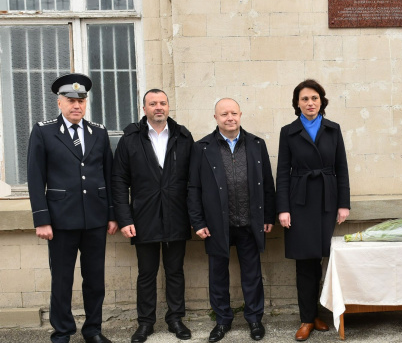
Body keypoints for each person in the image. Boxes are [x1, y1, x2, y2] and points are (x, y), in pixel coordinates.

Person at [27, 73, 118, 343]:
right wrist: (41, 219)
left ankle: (93, 330)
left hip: (95, 219)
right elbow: (35, 178)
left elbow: (109, 175)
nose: (77, 105)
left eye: (81, 100)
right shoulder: (43, 131)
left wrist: (112, 214)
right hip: (60, 220)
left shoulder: (98, 132)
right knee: (62, 280)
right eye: (71, 100)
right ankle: (63, 331)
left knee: (95, 280)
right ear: (59, 103)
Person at [187, 98, 276, 342]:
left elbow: (268, 184)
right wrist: (198, 221)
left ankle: (255, 319)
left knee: (252, 274)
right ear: (215, 117)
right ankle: (222, 321)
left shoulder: (256, 145)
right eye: (224, 114)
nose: (230, 117)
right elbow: (193, 187)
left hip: (249, 222)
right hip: (216, 225)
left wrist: (268, 215)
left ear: (240, 115)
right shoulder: (202, 147)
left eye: (234, 113)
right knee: (218, 275)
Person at [112, 89, 194, 343]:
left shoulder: (183, 136)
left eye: (163, 103)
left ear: (168, 106)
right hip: (143, 217)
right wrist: (125, 218)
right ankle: (145, 323)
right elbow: (118, 181)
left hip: (176, 215)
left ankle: (175, 319)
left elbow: (194, 180)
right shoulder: (130, 139)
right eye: (153, 103)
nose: (159, 107)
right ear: (144, 107)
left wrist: (195, 216)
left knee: (175, 271)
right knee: (146, 273)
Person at [276, 79, 350, 342]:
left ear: (322, 101)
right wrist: (283, 208)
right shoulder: (289, 132)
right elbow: (282, 172)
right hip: (300, 202)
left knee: (322, 259)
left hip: (328, 201)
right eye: (305, 99)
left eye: (314, 98)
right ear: (297, 102)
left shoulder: (333, 129)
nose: (310, 103)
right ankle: (307, 318)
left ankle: (318, 313)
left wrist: (344, 203)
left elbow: (341, 167)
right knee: (305, 261)